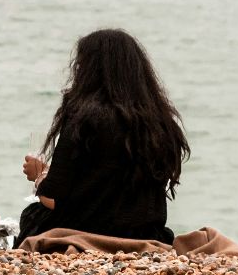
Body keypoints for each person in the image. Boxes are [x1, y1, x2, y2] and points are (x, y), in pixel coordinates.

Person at [17, 28, 190, 245]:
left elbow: (56, 198)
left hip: (89, 231)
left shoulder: (83, 117)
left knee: (33, 214)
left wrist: (40, 176)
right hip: (145, 234)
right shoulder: (159, 123)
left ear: (89, 71)